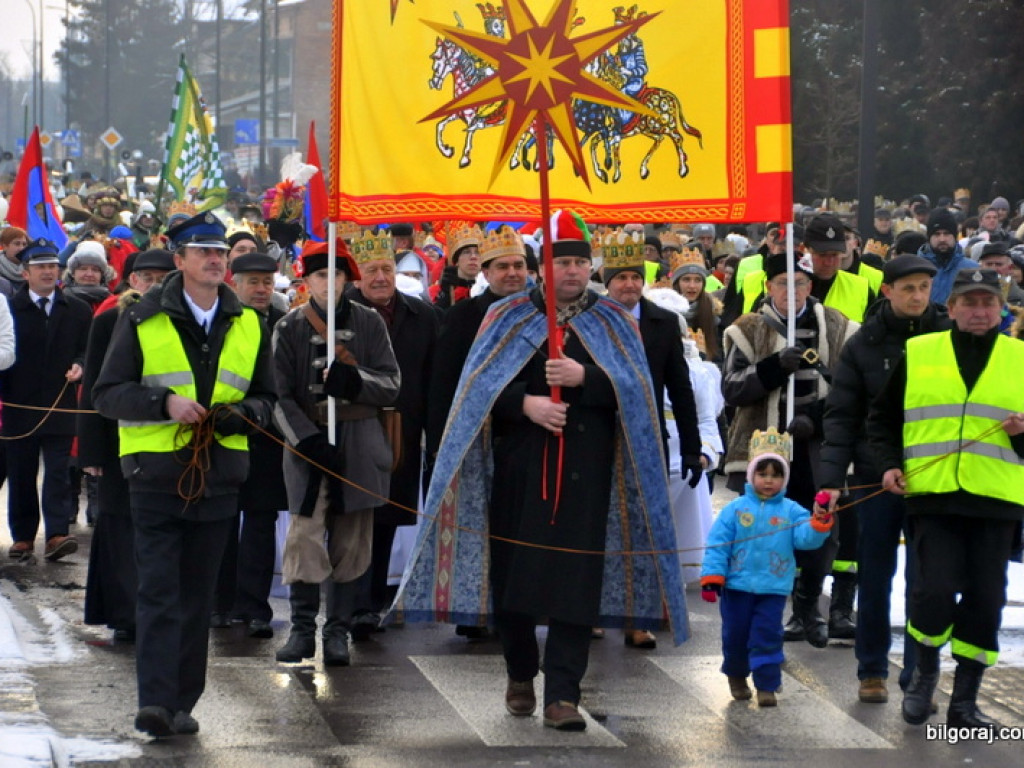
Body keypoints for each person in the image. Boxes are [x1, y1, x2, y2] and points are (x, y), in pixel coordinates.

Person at [394, 213, 687, 731]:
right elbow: (474, 393)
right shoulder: (505, 317)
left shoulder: (615, 321)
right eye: (560, 261)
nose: (570, 271)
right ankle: (521, 671)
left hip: (589, 475)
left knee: (576, 583)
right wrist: (524, 404)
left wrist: (587, 378)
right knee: (515, 583)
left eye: (578, 262)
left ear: (589, 265)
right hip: (519, 471)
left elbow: (640, 395)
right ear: (542, 266)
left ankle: (563, 695)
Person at [92, 213, 276, 738]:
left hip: (219, 477)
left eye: (221, 253)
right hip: (153, 476)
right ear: (180, 261)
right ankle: (153, 700)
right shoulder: (141, 319)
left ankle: (182, 701)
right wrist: (163, 402)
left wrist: (246, 415)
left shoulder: (248, 321)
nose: (216, 260)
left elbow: (266, 396)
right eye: (203, 253)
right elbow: (107, 394)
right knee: (157, 593)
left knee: (198, 598)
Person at [867, 267, 1024, 729]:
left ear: (1001, 309)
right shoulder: (919, 352)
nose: (979, 311)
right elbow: (883, 420)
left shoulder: (1020, 358)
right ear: (950, 308)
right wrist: (888, 465)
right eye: (969, 303)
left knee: (986, 597)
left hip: (995, 501)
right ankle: (924, 677)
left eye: (988, 303)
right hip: (932, 497)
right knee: (932, 591)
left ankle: (965, 703)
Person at [817, 254, 950, 704]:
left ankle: (917, 674)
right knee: (875, 576)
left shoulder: (948, 338)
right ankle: (871, 669)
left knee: (926, 582)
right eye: (907, 288)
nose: (917, 296)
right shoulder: (862, 344)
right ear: (888, 291)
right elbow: (842, 415)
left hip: (933, 477)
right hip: (875, 480)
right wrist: (832, 479)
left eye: (923, 288)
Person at [272, 238, 400, 667]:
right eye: (320, 275)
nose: (329, 282)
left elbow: (391, 382)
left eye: (336, 274)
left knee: (353, 539)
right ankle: (303, 629)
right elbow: (279, 395)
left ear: (347, 279)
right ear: (306, 280)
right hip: (307, 443)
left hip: (360, 441)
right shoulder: (288, 327)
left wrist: (353, 380)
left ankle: (338, 631)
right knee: (305, 537)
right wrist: (304, 439)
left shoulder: (369, 323)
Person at [721, 252, 858, 648]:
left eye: (798, 282)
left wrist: (814, 418)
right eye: (782, 282)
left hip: (820, 446)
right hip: (767, 447)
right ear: (768, 287)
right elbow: (731, 389)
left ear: (810, 286)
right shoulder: (746, 329)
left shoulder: (839, 327)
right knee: (772, 530)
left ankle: (807, 609)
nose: (791, 290)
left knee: (820, 526)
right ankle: (771, 609)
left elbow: (852, 390)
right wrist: (773, 368)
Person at [601, 232, 702, 650]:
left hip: (647, 437)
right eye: (620, 277)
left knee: (644, 528)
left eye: (635, 276)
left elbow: (680, 388)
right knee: (598, 524)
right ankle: (592, 609)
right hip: (600, 435)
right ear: (606, 282)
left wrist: (693, 446)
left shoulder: (662, 323)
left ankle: (638, 615)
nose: (629, 284)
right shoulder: (591, 319)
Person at [79, 248, 175, 643]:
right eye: (145, 276)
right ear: (131, 280)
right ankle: (123, 613)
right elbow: (94, 391)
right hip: (119, 442)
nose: (152, 284)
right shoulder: (108, 319)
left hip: (171, 445)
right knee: (118, 529)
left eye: (161, 277)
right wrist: (91, 453)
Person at [347, 231, 439, 639]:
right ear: (357, 277)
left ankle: (373, 599)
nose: (381, 277)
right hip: (356, 426)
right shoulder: (342, 314)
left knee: (385, 513)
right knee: (354, 513)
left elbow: (437, 376)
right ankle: (350, 599)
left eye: (387, 268)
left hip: (405, 427)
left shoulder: (424, 315)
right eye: (372, 270)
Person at [701, 428, 834, 707]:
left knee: (767, 635)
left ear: (784, 478)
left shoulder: (792, 511)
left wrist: (818, 524)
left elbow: (806, 540)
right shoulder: (735, 510)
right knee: (735, 635)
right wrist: (712, 576)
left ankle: (767, 684)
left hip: (772, 588)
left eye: (776, 475)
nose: (769, 481)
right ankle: (736, 674)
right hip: (736, 587)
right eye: (763, 474)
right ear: (751, 476)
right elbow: (718, 543)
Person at [209, 252, 289, 637]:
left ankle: (255, 606)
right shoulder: (218, 319)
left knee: (260, 524)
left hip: (269, 438)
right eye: (253, 282)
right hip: (223, 434)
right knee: (221, 523)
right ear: (234, 282)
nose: (261, 290)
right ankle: (219, 603)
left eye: (267, 283)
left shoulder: (284, 323)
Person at [2, 238, 91, 562]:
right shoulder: (10, 309)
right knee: (21, 472)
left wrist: (80, 365)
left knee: (57, 471)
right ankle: (23, 536)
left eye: (52, 266)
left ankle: (56, 534)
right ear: (25, 273)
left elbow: (87, 349)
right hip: (18, 405)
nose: (48, 272)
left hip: (60, 403)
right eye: (40, 267)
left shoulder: (78, 310)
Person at [668, 245, 722, 361]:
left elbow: (719, 357)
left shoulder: (712, 314)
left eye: (697, 280)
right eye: (686, 279)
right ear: (677, 283)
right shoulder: (665, 314)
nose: (692, 286)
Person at [918, 207, 979, 304]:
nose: (942, 239)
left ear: (955, 236)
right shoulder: (917, 268)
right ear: (929, 237)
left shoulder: (972, 269)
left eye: (946, 234)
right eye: (937, 234)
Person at [430, 223, 483, 310]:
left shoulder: (489, 289)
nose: (473, 256)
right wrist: (446, 296)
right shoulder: (437, 291)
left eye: (477, 252)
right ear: (456, 260)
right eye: (466, 252)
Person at [62, 240, 115, 310]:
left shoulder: (112, 303)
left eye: (95, 270)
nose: (89, 274)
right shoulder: (60, 301)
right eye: (83, 269)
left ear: (102, 274)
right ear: (72, 273)